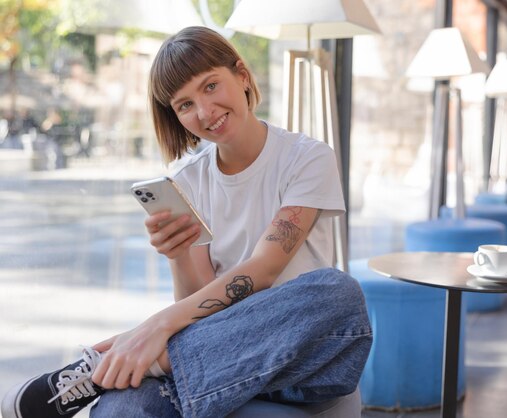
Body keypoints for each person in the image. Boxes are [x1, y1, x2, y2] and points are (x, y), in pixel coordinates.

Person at [1, 26, 372, 418]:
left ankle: (114, 367)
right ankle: (146, 366)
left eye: (211, 86)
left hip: (300, 359)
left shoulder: (307, 157)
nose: (205, 112)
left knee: (336, 291)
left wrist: (153, 329)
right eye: (185, 105)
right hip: (216, 359)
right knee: (119, 407)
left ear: (242, 76)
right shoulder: (186, 179)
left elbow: (264, 270)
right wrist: (178, 255)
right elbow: (197, 299)